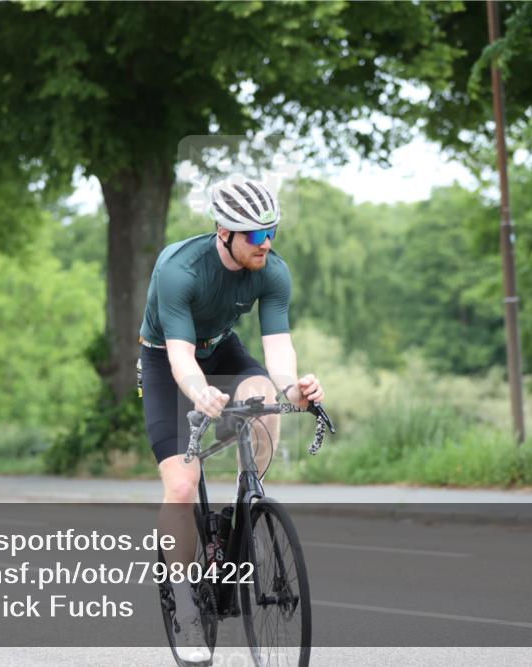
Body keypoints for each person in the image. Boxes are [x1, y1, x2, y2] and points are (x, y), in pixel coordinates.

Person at [138, 175, 324, 663]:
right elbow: (180, 358)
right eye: (255, 236)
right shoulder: (181, 271)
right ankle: (184, 602)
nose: (266, 244)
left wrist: (295, 388)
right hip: (166, 360)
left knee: (264, 399)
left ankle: (247, 504)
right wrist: (201, 393)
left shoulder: (272, 270)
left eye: (273, 233)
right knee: (181, 485)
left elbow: (278, 350)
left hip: (222, 348)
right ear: (224, 231)